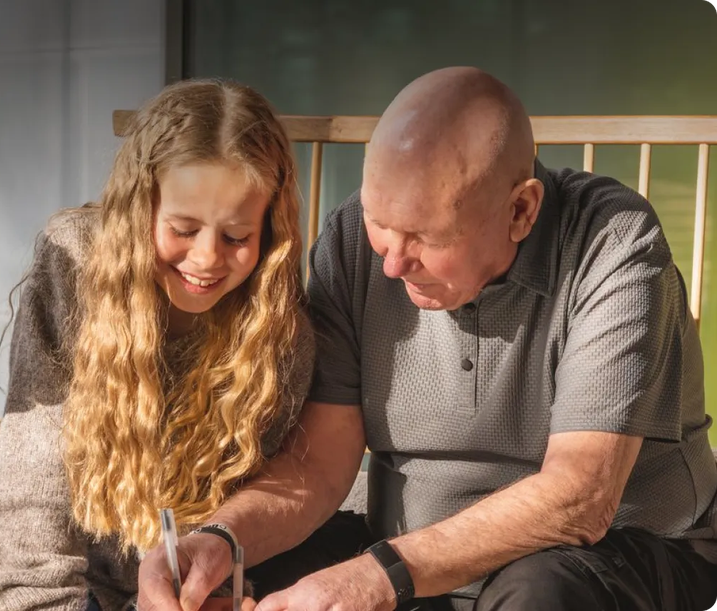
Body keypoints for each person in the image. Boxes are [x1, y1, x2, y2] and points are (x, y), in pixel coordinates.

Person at [138, 67, 717, 611]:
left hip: (616, 553)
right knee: (246, 581)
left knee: (539, 591)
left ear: (521, 210)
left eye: (424, 236)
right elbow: (318, 467)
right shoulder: (353, 243)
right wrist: (222, 538)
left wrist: (376, 576)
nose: (390, 264)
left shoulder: (612, 243)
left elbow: (580, 499)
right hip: (409, 555)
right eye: (379, 223)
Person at [0, 78, 315, 611]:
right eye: (183, 228)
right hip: (67, 589)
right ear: (136, 207)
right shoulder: (73, 264)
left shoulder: (277, 324)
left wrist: (199, 593)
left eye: (237, 237)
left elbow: (236, 513)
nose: (208, 258)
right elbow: (33, 488)